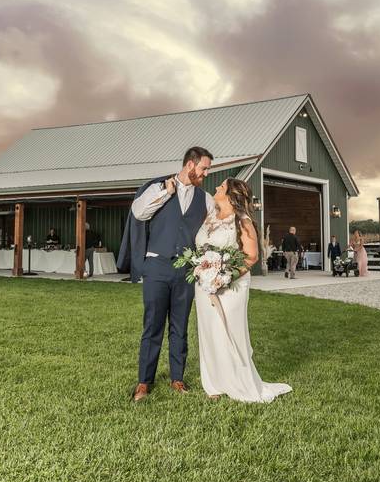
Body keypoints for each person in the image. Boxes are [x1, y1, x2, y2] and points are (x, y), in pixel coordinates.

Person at [120, 146, 214, 402]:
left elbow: (208, 234)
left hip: (185, 271)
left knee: (180, 326)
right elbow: (139, 212)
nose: (206, 173)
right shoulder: (158, 187)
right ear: (190, 165)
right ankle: (144, 382)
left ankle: (177, 378)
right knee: (152, 325)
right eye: (204, 168)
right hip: (157, 267)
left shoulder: (205, 199)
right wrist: (165, 192)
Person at [193, 178, 291, 402]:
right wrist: (204, 271)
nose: (217, 188)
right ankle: (214, 384)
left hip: (231, 287)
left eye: (222, 186)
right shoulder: (209, 217)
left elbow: (251, 257)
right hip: (204, 285)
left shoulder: (242, 221)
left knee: (230, 331)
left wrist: (225, 277)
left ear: (231, 194)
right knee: (208, 331)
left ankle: (238, 382)